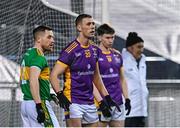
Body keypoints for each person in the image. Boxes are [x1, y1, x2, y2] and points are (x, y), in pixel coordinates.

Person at [50, 14, 119, 127]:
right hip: (73, 102)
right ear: (79, 28)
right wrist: (60, 95)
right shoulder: (70, 50)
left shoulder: (95, 50)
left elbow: (96, 77)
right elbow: (53, 75)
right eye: (88, 24)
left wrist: (105, 98)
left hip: (90, 102)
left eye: (93, 24)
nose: (92, 27)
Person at [20, 25, 59, 127]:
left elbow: (31, 80)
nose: (53, 41)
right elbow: (33, 81)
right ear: (38, 39)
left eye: (53, 37)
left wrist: (49, 94)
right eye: (49, 37)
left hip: (26, 104)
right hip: (37, 103)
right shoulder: (39, 57)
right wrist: (39, 106)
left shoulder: (28, 53)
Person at [93, 24, 131, 127]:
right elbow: (92, 80)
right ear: (99, 37)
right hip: (102, 103)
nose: (110, 40)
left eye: (112, 37)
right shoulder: (94, 54)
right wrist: (100, 102)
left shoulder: (117, 55)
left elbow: (122, 79)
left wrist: (127, 98)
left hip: (118, 102)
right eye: (107, 37)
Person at [122, 32, 149, 127]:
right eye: (139, 47)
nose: (141, 50)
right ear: (130, 47)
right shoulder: (121, 60)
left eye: (142, 47)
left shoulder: (143, 60)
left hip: (142, 109)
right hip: (129, 111)